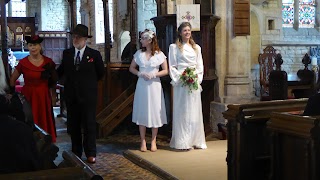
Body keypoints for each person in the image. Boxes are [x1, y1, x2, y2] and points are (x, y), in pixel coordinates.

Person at [56, 24, 105, 163]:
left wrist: (88, 85)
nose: (75, 39)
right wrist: (50, 75)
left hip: (88, 96)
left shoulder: (94, 55)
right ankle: (76, 151)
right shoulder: (67, 53)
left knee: (89, 125)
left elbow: (101, 73)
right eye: (74, 36)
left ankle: (91, 152)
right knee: (74, 125)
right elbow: (61, 71)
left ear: (85, 39)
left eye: (78, 37)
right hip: (71, 95)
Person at [9, 35, 57, 142]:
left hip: (43, 95)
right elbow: (13, 79)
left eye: (35, 45)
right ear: (28, 47)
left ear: (40, 46)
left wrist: (53, 96)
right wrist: (13, 95)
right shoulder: (23, 63)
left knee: (44, 119)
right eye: (30, 45)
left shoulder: (48, 62)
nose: (33, 48)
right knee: (30, 118)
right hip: (28, 96)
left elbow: (53, 82)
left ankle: (45, 143)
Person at [168, 22, 207, 150]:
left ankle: (195, 140)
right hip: (181, 82)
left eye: (189, 30)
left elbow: (200, 65)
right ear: (180, 32)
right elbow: (172, 66)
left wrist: (196, 78)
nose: (187, 32)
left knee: (194, 111)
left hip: (193, 81)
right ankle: (183, 141)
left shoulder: (197, 48)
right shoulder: (174, 47)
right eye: (184, 30)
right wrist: (181, 77)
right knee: (183, 111)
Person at [129, 29, 168, 152]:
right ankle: (143, 141)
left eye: (143, 39)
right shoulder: (139, 54)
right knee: (143, 110)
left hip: (154, 85)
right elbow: (131, 68)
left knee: (155, 110)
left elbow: (166, 70)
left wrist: (155, 74)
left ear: (150, 40)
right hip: (142, 85)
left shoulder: (159, 54)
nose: (141, 41)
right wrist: (140, 73)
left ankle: (153, 140)